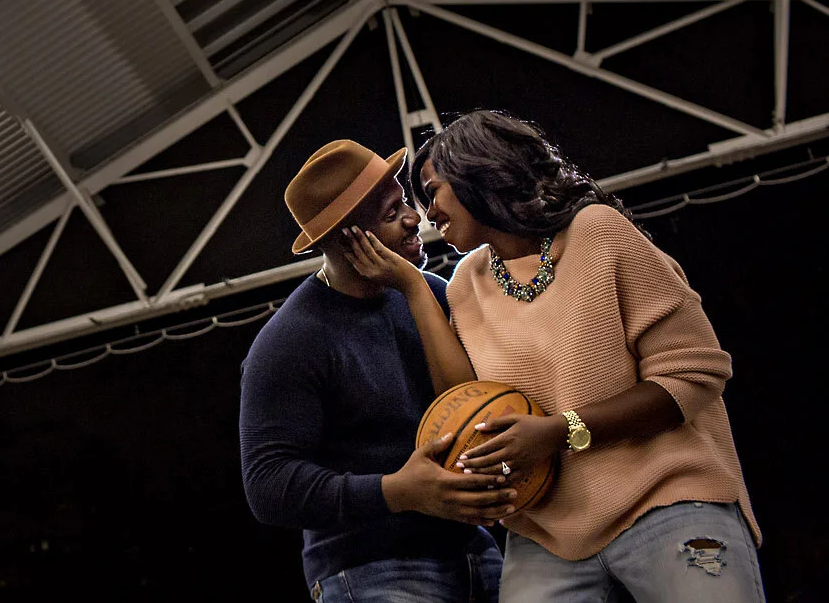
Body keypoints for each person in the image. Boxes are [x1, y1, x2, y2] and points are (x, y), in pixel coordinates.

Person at [340, 110, 762, 603]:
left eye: (433, 191)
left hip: (666, 498)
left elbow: (693, 377)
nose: (428, 212)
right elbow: (466, 403)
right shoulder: (465, 285)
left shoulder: (596, 232)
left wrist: (561, 432)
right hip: (547, 534)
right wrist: (413, 287)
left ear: (477, 171)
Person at [239, 140, 514, 603]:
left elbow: (474, 402)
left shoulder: (430, 293)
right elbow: (267, 485)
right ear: (348, 238)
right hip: (370, 570)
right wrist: (396, 492)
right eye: (392, 213)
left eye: (404, 201)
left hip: (471, 548)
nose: (414, 218)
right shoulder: (289, 342)